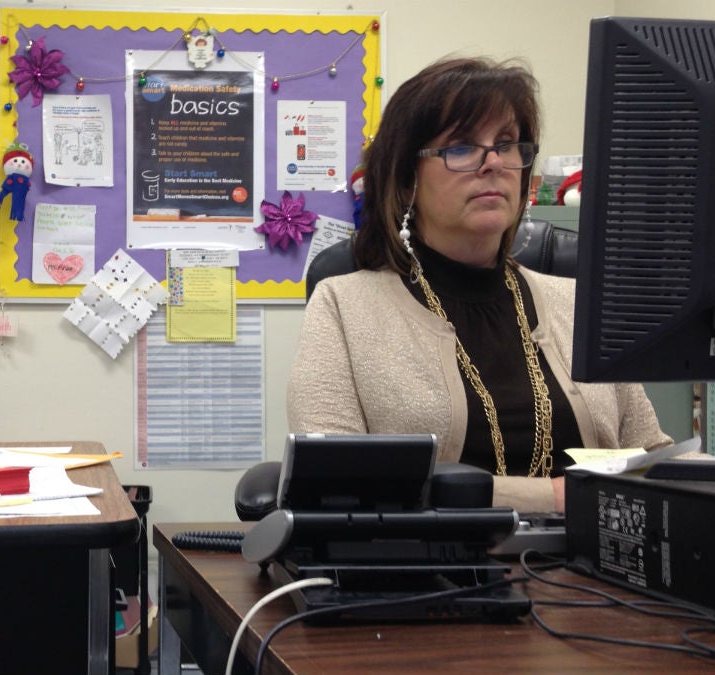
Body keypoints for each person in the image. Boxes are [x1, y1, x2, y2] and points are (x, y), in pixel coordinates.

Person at [286, 56, 671, 514]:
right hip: (426, 577)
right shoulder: (344, 306)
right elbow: (335, 481)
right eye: (462, 147)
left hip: (596, 572)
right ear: (408, 179)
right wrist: (548, 498)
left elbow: (654, 461)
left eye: (507, 144)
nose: (493, 164)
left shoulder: (579, 305)